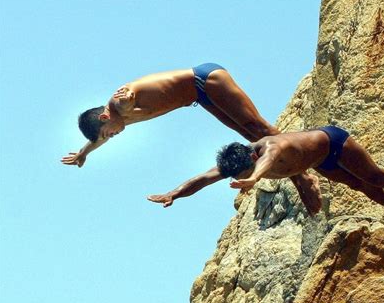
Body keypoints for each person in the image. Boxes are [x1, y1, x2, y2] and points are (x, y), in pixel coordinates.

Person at [61, 63, 321, 214]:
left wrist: (127, 97)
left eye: (109, 133)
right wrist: (85, 152)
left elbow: (126, 96)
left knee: (257, 126)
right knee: (248, 133)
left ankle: (301, 174)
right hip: (199, 97)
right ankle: (296, 172)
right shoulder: (117, 121)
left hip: (207, 80)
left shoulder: (120, 106)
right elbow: (99, 138)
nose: (113, 136)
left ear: (105, 117)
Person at [161, 126, 384, 237]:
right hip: (318, 161)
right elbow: (202, 180)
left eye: (246, 173)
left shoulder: (269, 148)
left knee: (373, 176)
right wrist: (174, 193)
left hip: (334, 143)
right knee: (360, 186)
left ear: (252, 157)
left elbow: (268, 161)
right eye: (241, 177)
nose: (243, 179)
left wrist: (254, 178)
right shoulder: (237, 162)